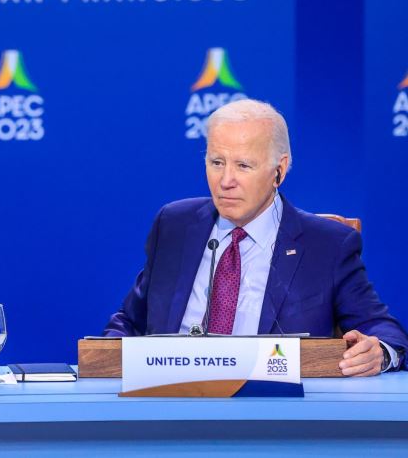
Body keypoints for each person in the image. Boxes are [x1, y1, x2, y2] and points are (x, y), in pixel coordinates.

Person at [104, 99, 408, 376]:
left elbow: (384, 331)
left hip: (271, 406)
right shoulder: (175, 224)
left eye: (243, 165)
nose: (226, 181)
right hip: (170, 397)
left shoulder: (327, 245)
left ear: (279, 170)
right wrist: (105, 362)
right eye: (217, 162)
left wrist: (380, 353)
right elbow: (129, 321)